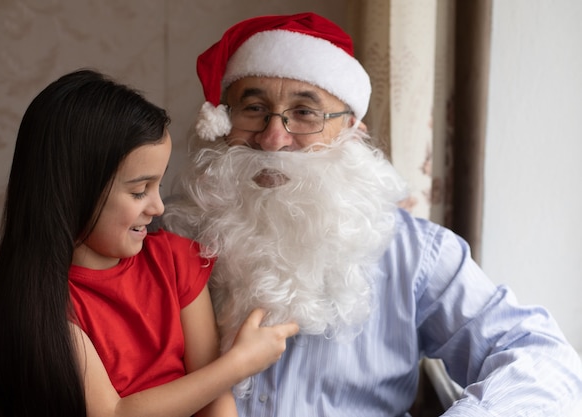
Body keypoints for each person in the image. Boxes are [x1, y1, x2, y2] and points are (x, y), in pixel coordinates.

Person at [161, 12, 582, 416]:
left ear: (350, 131)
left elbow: (542, 357)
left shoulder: (416, 253)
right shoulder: (167, 240)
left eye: (305, 113)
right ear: (221, 123)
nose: (274, 138)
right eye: (253, 108)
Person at [0, 69, 299, 417]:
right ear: (74, 190)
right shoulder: (47, 306)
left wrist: (226, 373)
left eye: (157, 186)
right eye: (139, 191)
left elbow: (212, 394)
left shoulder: (175, 260)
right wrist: (239, 364)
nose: (158, 207)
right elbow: (115, 413)